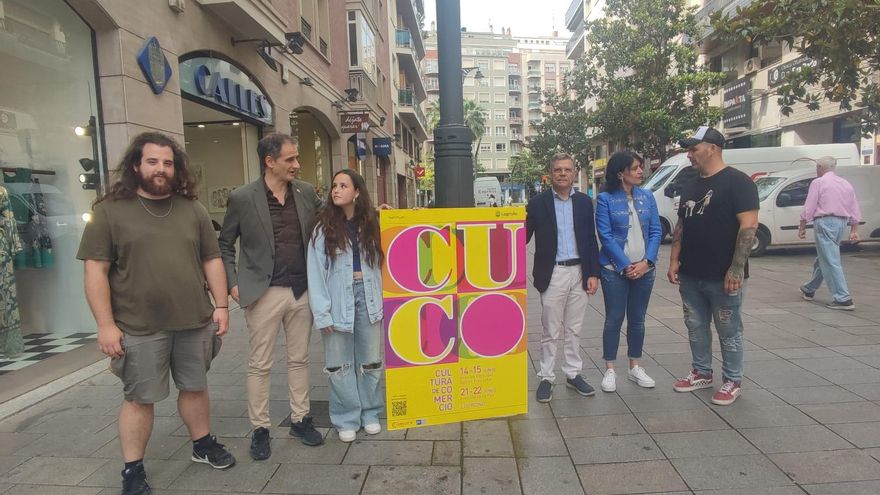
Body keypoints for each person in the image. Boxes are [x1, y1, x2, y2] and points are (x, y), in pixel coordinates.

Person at [77, 132, 235, 495]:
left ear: (176, 168)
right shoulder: (109, 211)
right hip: (138, 326)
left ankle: (202, 444)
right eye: (152, 161)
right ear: (136, 165)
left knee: (195, 387)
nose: (160, 169)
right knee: (139, 398)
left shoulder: (191, 209)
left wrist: (223, 305)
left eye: (167, 162)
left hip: (195, 321)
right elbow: (95, 271)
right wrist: (105, 325)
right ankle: (133, 469)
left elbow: (211, 259)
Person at [218, 133, 324, 460]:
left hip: (301, 289)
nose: (297, 164)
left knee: (299, 359)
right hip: (262, 293)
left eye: (296, 158)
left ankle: (300, 419)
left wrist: (372, 212)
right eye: (290, 159)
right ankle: (260, 428)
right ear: (270, 161)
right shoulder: (242, 198)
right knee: (260, 364)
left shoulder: (305, 192)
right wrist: (233, 286)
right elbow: (224, 245)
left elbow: (331, 219)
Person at [668, 126, 758, 406]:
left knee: (728, 329)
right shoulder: (691, 184)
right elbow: (683, 224)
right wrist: (674, 260)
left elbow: (749, 225)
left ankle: (732, 379)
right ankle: (701, 372)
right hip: (691, 272)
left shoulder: (738, 182)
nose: (689, 154)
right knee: (695, 325)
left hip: (723, 275)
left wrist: (736, 268)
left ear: (713, 148)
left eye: (694, 149)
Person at [307, 169, 385, 442]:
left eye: (343, 185)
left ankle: (371, 413)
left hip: (369, 295)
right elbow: (315, 271)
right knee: (339, 364)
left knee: (370, 360)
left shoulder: (373, 224)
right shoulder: (322, 228)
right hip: (337, 297)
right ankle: (346, 418)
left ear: (357, 192)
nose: (336, 190)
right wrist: (321, 312)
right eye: (334, 185)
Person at [526, 152, 601, 403]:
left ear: (573, 173)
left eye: (567, 170)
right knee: (550, 329)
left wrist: (593, 273)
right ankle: (546, 377)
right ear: (551, 173)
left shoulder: (583, 202)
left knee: (574, 328)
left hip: (580, 271)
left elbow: (591, 240)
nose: (562, 174)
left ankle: (572, 373)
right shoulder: (538, 203)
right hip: (553, 273)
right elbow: (521, 236)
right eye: (558, 169)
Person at [595, 151, 662, 393]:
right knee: (614, 319)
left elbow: (655, 231)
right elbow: (605, 236)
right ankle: (610, 369)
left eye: (640, 167)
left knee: (638, 319)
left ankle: (635, 366)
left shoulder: (648, 196)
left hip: (644, 269)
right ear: (621, 172)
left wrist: (647, 262)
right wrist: (625, 266)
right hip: (614, 270)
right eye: (635, 168)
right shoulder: (605, 199)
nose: (640, 172)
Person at [798, 156, 861, 310]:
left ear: (820, 167)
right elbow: (854, 206)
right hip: (842, 222)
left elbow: (810, 205)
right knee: (824, 256)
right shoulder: (845, 183)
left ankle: (843, 297)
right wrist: (854, 229)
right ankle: (810, 288)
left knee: (830, 258)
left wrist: (802, 224)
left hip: (825, 221)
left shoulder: (818, 182)